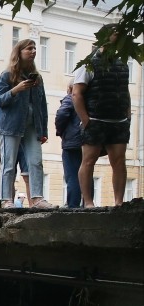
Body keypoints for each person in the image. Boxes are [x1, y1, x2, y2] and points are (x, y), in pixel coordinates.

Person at [73, 23, 131, 207]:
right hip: (96, 121)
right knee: (88, 161)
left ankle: (119, 203)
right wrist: (86, 120)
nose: (120, 38)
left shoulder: (123, 64)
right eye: (116, 34)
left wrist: (127, 116)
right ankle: (88, 203)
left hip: (118, 122)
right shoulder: (89, 63)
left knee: (119, 162)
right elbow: (77, 93)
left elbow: (124, 90)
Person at [0, 38, 55, 209]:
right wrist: (16, 89)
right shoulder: (7, 76)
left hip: (32, 127)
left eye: (35, 48)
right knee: (8, 163)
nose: (33, 51)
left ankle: (37, 198)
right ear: (19, 53)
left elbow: (42, 105)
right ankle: (6, 200)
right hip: (10, 126)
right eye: (29, 49)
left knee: (36, 161)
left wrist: (44, 130)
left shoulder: (37, 79)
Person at [55, 81, 84, 208]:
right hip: (88, 142)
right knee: (87, 172)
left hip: (71, 142)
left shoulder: (70, 97)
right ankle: (88, 204)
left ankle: (73, 205)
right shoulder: (88, 99)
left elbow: (61, 114)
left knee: (72, 175)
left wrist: (61, 131)